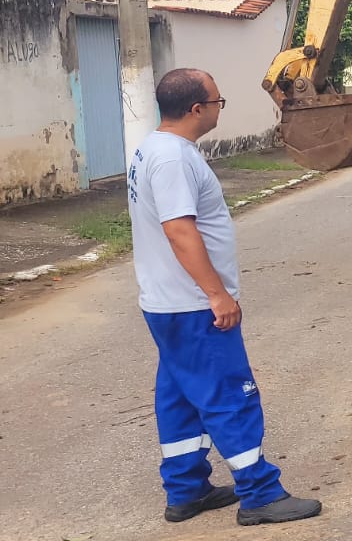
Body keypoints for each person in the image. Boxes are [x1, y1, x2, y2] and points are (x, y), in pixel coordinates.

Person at [127, 68, 322, 526]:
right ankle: (260, 493)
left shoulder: (152, 149)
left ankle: (186, 489)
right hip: (194, 305)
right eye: (218, 102)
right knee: (230, 395)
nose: (219, 108)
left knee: (178, 397)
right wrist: (217, 295)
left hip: (166, 303)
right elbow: (178, 229)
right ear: (197, 109)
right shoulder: (174, 159)